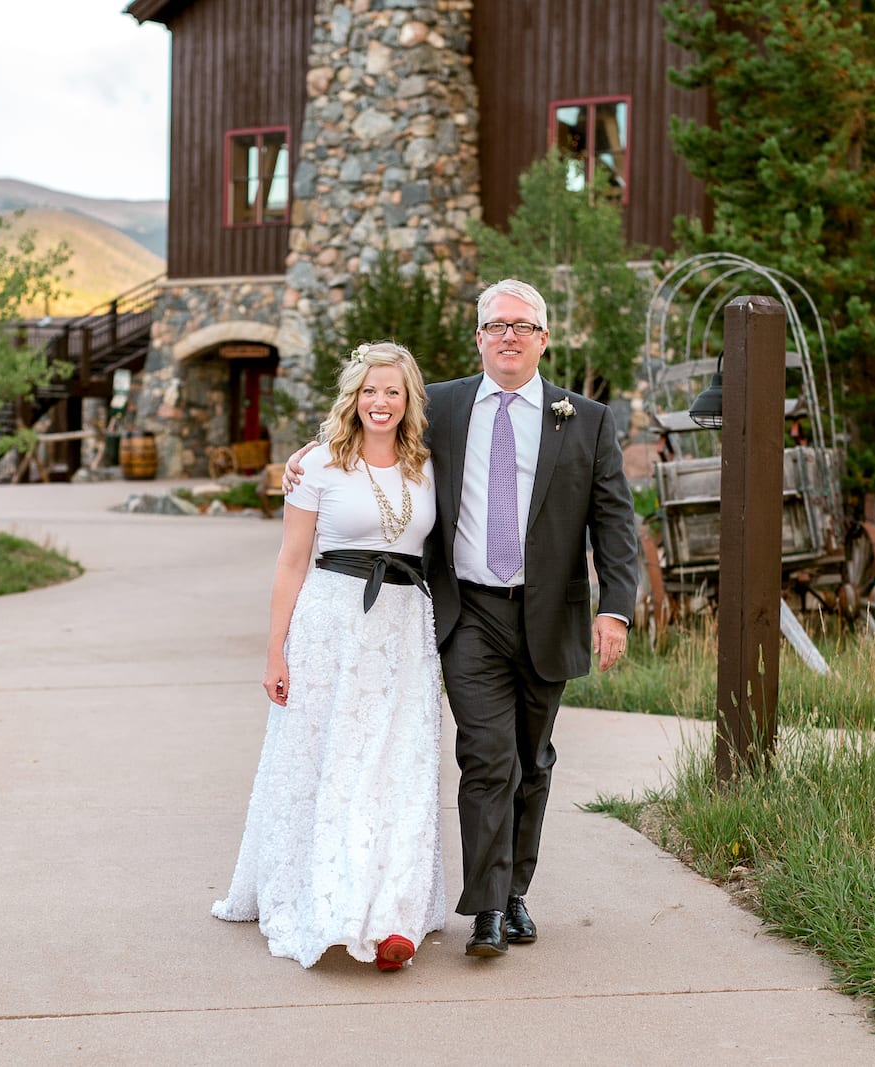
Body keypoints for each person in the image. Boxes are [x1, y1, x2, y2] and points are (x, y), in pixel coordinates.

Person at [287, 279, 639, 958]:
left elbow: (615, 522)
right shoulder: (442, 406)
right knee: (487, 756)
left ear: (544, 338)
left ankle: (514, 893)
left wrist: (616, 607)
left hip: (548, 614)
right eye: (496, 325)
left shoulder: (586, 419)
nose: (509, 335)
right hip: (468, 611)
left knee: (532, 760)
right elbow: (371, 430)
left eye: (523, 325)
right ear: (478, 338)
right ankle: (485, 911)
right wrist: (305, 460)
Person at [212, 341, 445, 972]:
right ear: (353, 396)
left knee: (396, 763)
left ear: (409, 399)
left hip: (402, 630)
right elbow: (291, 561)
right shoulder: (318, 464)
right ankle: (332, 903)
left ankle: (393, 912)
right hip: (330, 626)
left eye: (392, 391)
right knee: (328, 761)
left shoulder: (426, 463)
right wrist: (275, 652)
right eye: (370, 390)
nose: (380, 401)